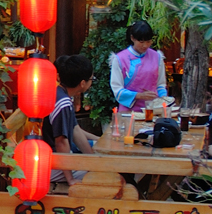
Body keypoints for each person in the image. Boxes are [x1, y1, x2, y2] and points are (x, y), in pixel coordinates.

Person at [43, 55, 98, 189]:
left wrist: (94, 161)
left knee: (100, 168)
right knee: (106, 176)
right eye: (91, 79)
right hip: (51, 164)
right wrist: (70, 179)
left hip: (54, 159)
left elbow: (75, 130)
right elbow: (61, 142)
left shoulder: (60, 94)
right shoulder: (63, 103)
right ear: (82, 83)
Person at [110, 20, 169, 113]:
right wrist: (139, 95)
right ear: (132, 38)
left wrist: (164, 99)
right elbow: (117, 90)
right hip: (128, 111)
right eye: (141, 41)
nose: (145, 45)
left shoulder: (157, 57)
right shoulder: (120, 59)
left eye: (148, 41)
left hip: (153, 110)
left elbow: (160, 85)